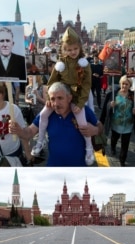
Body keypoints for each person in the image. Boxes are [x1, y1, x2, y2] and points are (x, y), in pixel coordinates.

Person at [30, 27, 95, 165]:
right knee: (43, 115)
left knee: (82, 122)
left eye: (75, 49)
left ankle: (89, 148)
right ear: (64, 49)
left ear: (79, 48)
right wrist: (49, 99)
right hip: (61, 96)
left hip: (77, 97)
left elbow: (86, 85)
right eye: (69, 49)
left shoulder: (84, 64)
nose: (72, 52)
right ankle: (40, 142)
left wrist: (80, 103)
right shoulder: (60, 64)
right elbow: (52, 81)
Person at [9, 82, 103, 167]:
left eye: (60, 98)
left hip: (79, 169)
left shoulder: (82, 111)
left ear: (69, 98)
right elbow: (29, 132)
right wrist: (19, 131)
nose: (56, 103)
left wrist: (95, 130)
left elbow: (101, 127)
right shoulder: (48, 114)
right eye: (53, 99)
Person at [100, 75, 135, 166]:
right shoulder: (113, 94)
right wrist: (110, 105)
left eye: (126, 84)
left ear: (130, 85)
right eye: (123, 83)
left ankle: (122, 160)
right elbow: (106, 107)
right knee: (114, 138)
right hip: (116, 123)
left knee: (125, 144)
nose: (124, 86)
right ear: (120, 84)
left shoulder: (133, 96)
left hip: (128, 124)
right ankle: (113, 147)